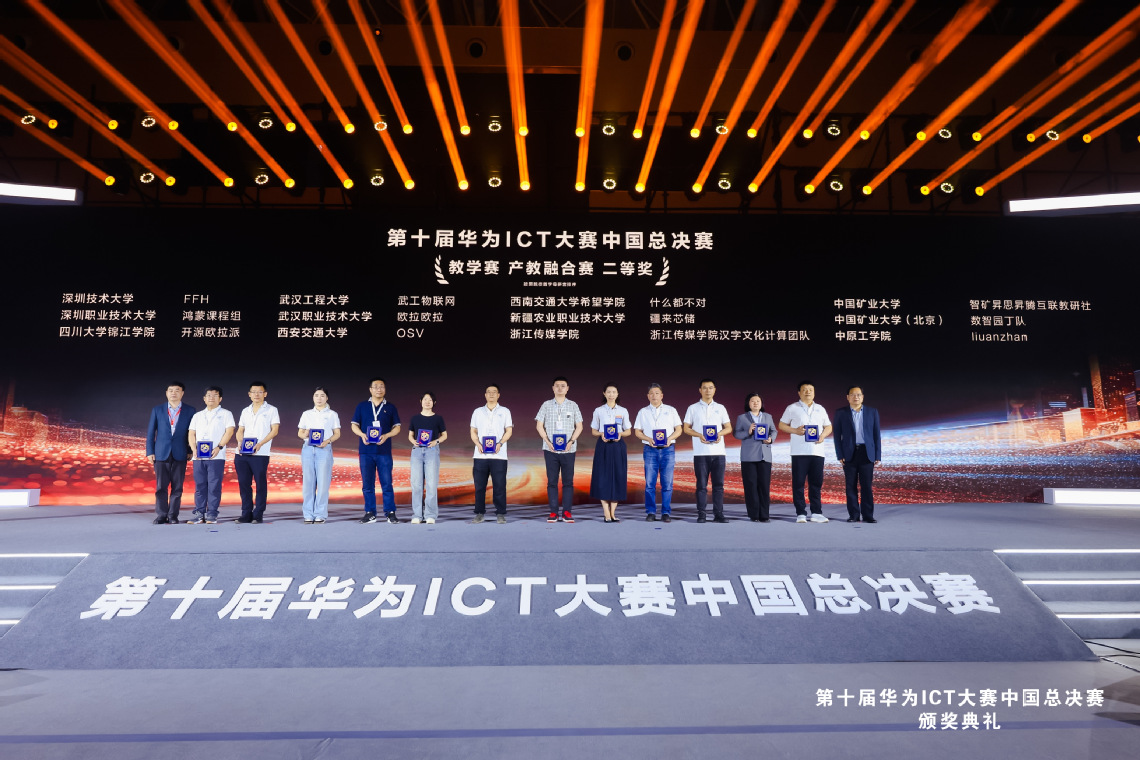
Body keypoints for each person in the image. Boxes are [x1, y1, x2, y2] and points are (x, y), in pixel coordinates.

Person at [778, 381, 833, 524]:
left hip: (817, 452)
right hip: (799, 452)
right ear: (799, 392)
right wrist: (795, 431)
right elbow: (781, 425)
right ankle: (801, 513)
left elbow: (828, 426)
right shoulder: (792, 408)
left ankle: (816, 513)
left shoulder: (820, 408)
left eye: (810, 389)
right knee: (798, 484)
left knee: (816, 484)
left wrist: (822, 436)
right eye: (804, 389)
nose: (808, 392)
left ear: (814, 392)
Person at [350, 377, 402, 524]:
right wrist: (362, 435)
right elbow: (354, 425)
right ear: (370, 389)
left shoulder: (390, 407)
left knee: (387, 483)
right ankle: (370, 513)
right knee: (367, 485)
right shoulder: (362, 406)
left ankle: (390, 513)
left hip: (384, 451)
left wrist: (387, 435)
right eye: (376, 386)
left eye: (382, 386)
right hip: (366, 451)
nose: (379, 389)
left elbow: (397, 428)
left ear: (385, 389)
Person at [683, 378, 733, 523]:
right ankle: (702, 514)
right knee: (701, 486)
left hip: (719, 452)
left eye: (710, 387)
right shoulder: (692, 408)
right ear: (700, 390)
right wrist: (699, 435)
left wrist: (720, 434)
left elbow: (728, 427)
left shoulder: (721, 408)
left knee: (719, 486)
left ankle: (719, 514)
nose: (708, 390)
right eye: (704, 388)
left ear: (714, 390)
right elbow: (686, 428)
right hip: (700, 452)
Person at [145, 382, 196, 524]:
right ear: (166, 393)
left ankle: (173, 515)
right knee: (161, 487)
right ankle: (161, 515)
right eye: (171, 390)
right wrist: (150, 451)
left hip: (181, 452)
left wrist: (190, 450)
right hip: (161, 452)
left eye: (177, 390)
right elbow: (151, 432)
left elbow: (192, 433)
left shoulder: (190, 410)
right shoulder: (157, 410)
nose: (174, 393)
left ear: (182, 393)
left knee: (177, 487)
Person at [535, 376, 584, 523]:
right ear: (553, 388)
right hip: (550, 449)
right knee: (552, 482)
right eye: (557, 385)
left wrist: (571, 441)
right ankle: (553, 512)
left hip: (569, 449)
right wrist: (547, 441)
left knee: (568, 482)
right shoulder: (546, 405)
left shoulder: (573, 405)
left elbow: (579, 426)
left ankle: (567, 512)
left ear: (567, 388)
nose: (560, 388)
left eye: (563, 386)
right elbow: (539, 425)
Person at [633, 383, 683, 522]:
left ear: (662, 395)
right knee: (650, 484)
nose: (654, 396)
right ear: (648, 396)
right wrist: (648, 439)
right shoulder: (643, 412)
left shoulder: (671, 410)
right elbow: (637, 431)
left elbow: (679, 429)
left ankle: (666, 512)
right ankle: (651, 512)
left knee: (667, 484)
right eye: (651, 393)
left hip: (668, 449)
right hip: (650, 450)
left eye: (657, 393)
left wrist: (670, 439)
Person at [833, 385, 882, 523]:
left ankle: (868, 515)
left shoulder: (872, 412)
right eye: (853, 395)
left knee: (866, 486)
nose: (856, 397)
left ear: (863, 397)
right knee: (850, 486)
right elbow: (837, 436)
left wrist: (877, 455)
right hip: (849, 453)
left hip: (867, 453)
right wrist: (839, 454)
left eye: (859, 395)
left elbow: (876, 435)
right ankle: (854, 515)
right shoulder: (841, 413)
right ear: (847, 397)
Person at [187, 386, 235, 525]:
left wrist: (219, 447)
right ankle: (199, 513)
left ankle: (212, 513)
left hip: (216, 456)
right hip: (198, 456)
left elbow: (229, 431)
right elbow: (191, 433)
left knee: (214, 486)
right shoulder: (197, 415)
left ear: (220, 398)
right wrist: (193, 449)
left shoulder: (226, 414)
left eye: (215, 395)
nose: (211, 398)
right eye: (209, 395)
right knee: (200, 486)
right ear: (204, 398)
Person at [234, 381, 280, 523]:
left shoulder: (271, 410)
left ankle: (258, 513)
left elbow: (275, 430)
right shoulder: (245, 411)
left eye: (260, 392)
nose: (256, 394)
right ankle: (246, 513)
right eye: (253, 392)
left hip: (260, 453)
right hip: (242, 453)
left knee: (260, 484)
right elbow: (240, 430)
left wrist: (260, 444)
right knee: (244, 484)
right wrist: (239, 442)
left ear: (265, 394)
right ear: (249, 394)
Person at [469, 384, 513, 523]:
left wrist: (500, 443)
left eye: (494, 392)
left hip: (499, 456)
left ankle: (500, 513)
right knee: (479, 487)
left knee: (499, 486)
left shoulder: (505, 411)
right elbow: (473, 431)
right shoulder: (477, 412)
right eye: (489, 392)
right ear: (485, 395)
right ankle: (479, 513)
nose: (491, 394)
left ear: (498, 395)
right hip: (480, 455)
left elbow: (509, 431)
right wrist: (478, 444)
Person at [297, 387, 341, 524]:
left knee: (322, 483)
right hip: (308, 449)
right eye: (316, 395)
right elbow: (300, 433)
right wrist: (305, 434)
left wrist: (327, 441)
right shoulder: (306, 414)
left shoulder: (332, 414)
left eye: (322, 395)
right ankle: (308, 514)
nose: (319, 398)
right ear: (313, 397)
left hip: (324, 449)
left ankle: (320, 514)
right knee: (308, 483)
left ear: (327, 398)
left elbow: (337, 433)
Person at [589, 384, 632, 522]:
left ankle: (613, 513)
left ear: (617, 394)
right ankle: (606, 512)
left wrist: (620, 434)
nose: (611, 394)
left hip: (618, 446)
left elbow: (628, 431)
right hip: (603, 445)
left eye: (614, 392)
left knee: (618, 476)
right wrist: (601, 434)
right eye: (609, 392)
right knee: (602, 477)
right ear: (604, 393)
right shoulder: (598, 410)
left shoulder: (623, 411)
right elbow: (594, 430)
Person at [733, 393, 776, 522]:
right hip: (748, 456)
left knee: (764, 486)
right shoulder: (742, 418)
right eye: (753, 401)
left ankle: (764, 515)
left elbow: (774, 431)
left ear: (761, 403)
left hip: (764, 455)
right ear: (748, 403)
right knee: (751, 486)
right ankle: (754, 514)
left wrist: (770, 439)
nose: (755, 403)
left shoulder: (768, 417)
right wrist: (748, 431)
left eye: (758, 401)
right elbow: (736, 434)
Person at [407, 392, 447, 525]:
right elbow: (410, 435)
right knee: (416, 484)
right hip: (417, 451)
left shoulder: (438, 418)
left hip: (432, 451)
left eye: (430, 400)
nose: (427, 402)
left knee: (431, 484)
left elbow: (444, 435)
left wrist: (436, 441)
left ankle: (430, 515)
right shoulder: (415, 418)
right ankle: (417, 515)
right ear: (421, 401)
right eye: (425, 399)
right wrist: (413, 441)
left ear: (434, 403)